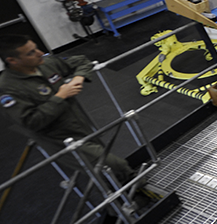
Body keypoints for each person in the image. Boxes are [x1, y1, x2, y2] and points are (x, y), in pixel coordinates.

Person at [0, 35, 135, 183]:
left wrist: (78, 77)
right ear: (12, 61)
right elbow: (31, 122)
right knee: (115, 165)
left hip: (81, 125)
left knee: (106, 167)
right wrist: (60, 97)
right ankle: (136, 187)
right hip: (61, 139)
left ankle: (128, 189)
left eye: (36, 48)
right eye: (31, 53)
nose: (39, 53)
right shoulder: (8, 89)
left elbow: (82, 61)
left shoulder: (45, 63)